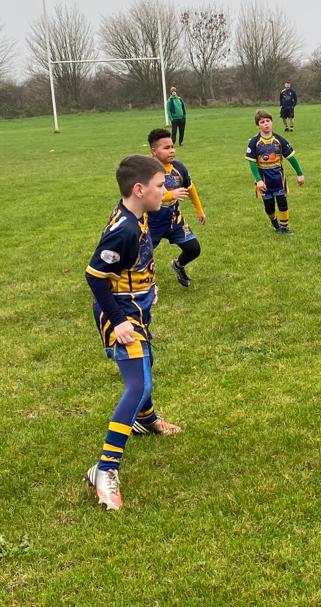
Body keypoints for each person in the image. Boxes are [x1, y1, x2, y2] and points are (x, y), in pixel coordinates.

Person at [84, 155, 182, 512]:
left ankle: (145, 419)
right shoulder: (123, 228)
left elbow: (133, 264)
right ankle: (104, 470)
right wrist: (119, 320)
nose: (165, 191)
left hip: (136, 307)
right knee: (137, 384)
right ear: (139, 190)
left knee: (147, 365)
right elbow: (95, 276)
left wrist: (147, 286)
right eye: (160, 186)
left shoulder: (138, 214)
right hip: (120, 315)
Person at [148, 128, 206, 288]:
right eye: (166, 148)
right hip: (151, 223)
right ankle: (140, 283)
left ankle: (178, 265)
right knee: (142, 255)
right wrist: (169, 195)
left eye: (172, 146)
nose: (172, 151)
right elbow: (147, 196)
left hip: (174, 221)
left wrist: (199, 210)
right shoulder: (147, 171)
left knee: (193, 249)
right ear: (154, 151)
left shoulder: (178, 168)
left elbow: (190, 188)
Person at [245, 110, 305, 234]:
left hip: (278, 178)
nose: (266, 124)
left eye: (268, 121)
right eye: (262, 122)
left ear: (272, 122)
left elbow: (291, 157)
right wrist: (258, 180)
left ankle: (284, 228)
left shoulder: (279, 140)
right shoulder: (254, 142)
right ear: (258, 125)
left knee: (282, 202)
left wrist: (300, 174)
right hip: (264, 180)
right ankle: (275, 223)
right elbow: (252, 162)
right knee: (269, 207)